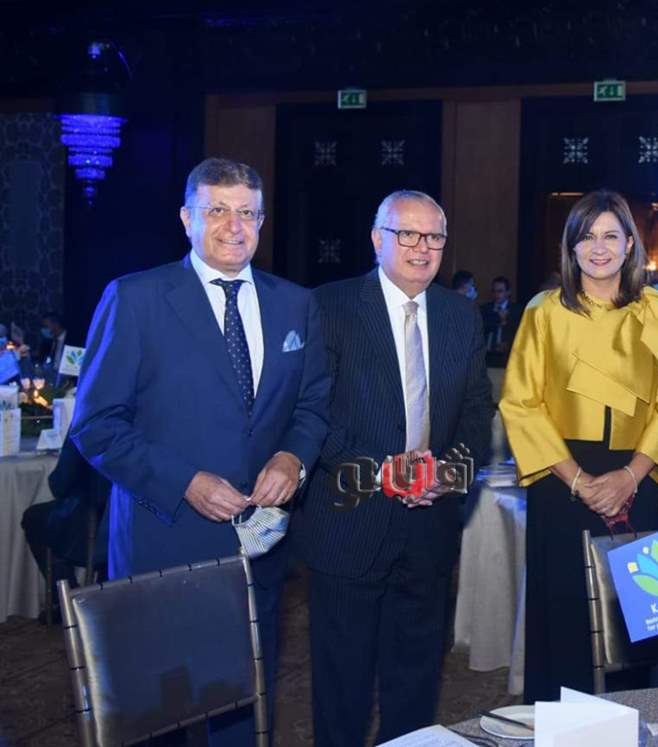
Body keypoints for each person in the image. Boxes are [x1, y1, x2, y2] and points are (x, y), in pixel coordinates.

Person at [70, 157, 330, 744]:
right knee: (157, 717)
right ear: (187, 218)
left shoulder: (295, 304)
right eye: (217, 210)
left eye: (247, 213)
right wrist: (185, 480)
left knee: (243, 716)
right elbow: (96, 425)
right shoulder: (136, 298)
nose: (234, 226)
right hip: (163, 548)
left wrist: (293, 458)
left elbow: (313, 404)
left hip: (257, 552)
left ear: (262, 222)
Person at [292, 190, 493, 745]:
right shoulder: (328, 306)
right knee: (343, 686)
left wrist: (450, 472)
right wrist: (381, 472)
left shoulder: (459, 314)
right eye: (407, 234)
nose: (421, 247)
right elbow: (312, 412)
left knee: (416, 681)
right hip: (349, 521)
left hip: (429, 526)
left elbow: (478, 410)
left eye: (434, 237)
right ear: (377, 238)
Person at [499, 190, 658, 702]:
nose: (599, 248)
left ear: (631, 244)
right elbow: (521, 404)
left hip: (637, 480)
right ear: (570, 247)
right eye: (587, 236)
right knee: (563, 614)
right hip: (560, 481)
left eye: (611, 235)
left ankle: (630, 724)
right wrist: (580, 481)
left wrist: (629, 476)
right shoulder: (544, 313)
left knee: (629, 621)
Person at [20, 436, 110, 619]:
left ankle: (68, 599)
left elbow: (60, 484)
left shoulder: (86, 425)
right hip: (131, 522)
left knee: (35, 518)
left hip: (91, 524)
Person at [481, 275, 523, 367]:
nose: (496, 294)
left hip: (509, 356)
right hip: (487, 355)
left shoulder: (517, 310)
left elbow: (519, 332)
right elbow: (481, 329)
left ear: (508, 292)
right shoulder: (484, 309)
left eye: (500, 291)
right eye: (494, 291)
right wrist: (498, 319)